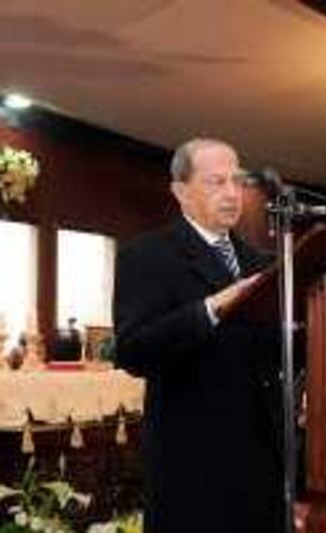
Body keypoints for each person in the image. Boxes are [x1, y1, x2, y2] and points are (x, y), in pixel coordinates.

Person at [113, 138, 279, 533]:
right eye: (215, 182)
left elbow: (272, 352)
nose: (231, 193)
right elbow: (133, 351)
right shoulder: (147, 255)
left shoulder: (261, 261)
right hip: (190, 456)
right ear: (181, 192)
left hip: (259, 451)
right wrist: (211, 308)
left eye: (236, 182)